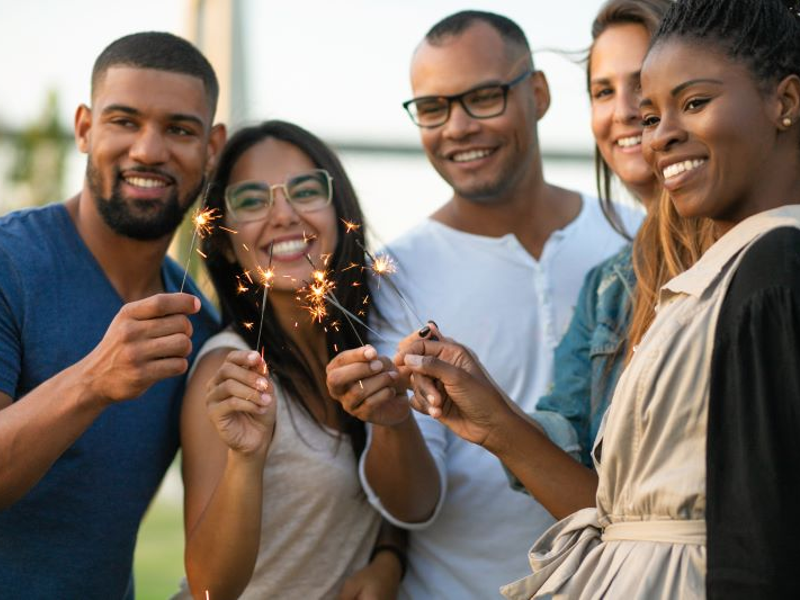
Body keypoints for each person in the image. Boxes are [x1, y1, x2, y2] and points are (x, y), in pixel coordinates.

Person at [399, 0, 800, 597]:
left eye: (689, 100)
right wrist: (490, 418)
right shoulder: (625, 283)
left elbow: (756, 530)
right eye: (615, 95)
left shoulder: (770, 266)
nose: (645, 124)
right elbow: (622, 516)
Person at [326, 10, 638, 599]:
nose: (458, 127)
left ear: (538, 94)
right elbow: (415, 506)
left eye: (484, 98)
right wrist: (394, 425)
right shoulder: (395, 274)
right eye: (434, 108)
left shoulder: (633, 238)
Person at [0, 32, 224, 599]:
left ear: (213, 148)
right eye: (124, 120)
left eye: (179, 128)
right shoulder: (9, 263)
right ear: (83, 128)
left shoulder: (202, 329)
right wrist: (95, 381)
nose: (149, 150)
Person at [174, 120, 404, 600]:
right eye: (253, 201)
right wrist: (246, 457)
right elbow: (209, 588)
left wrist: (389, 557)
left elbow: (391, 492)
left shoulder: (370, 341)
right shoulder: (230, 373)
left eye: (305, 190)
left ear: (339, 212)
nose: (284, 215)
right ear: (222, 241)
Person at [531, 0, 716, 468]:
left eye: (642, 84)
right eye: (602, 91)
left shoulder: (751, 241)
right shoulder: (607, 286)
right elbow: (573, 463)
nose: (624, 111)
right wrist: (472, 398)